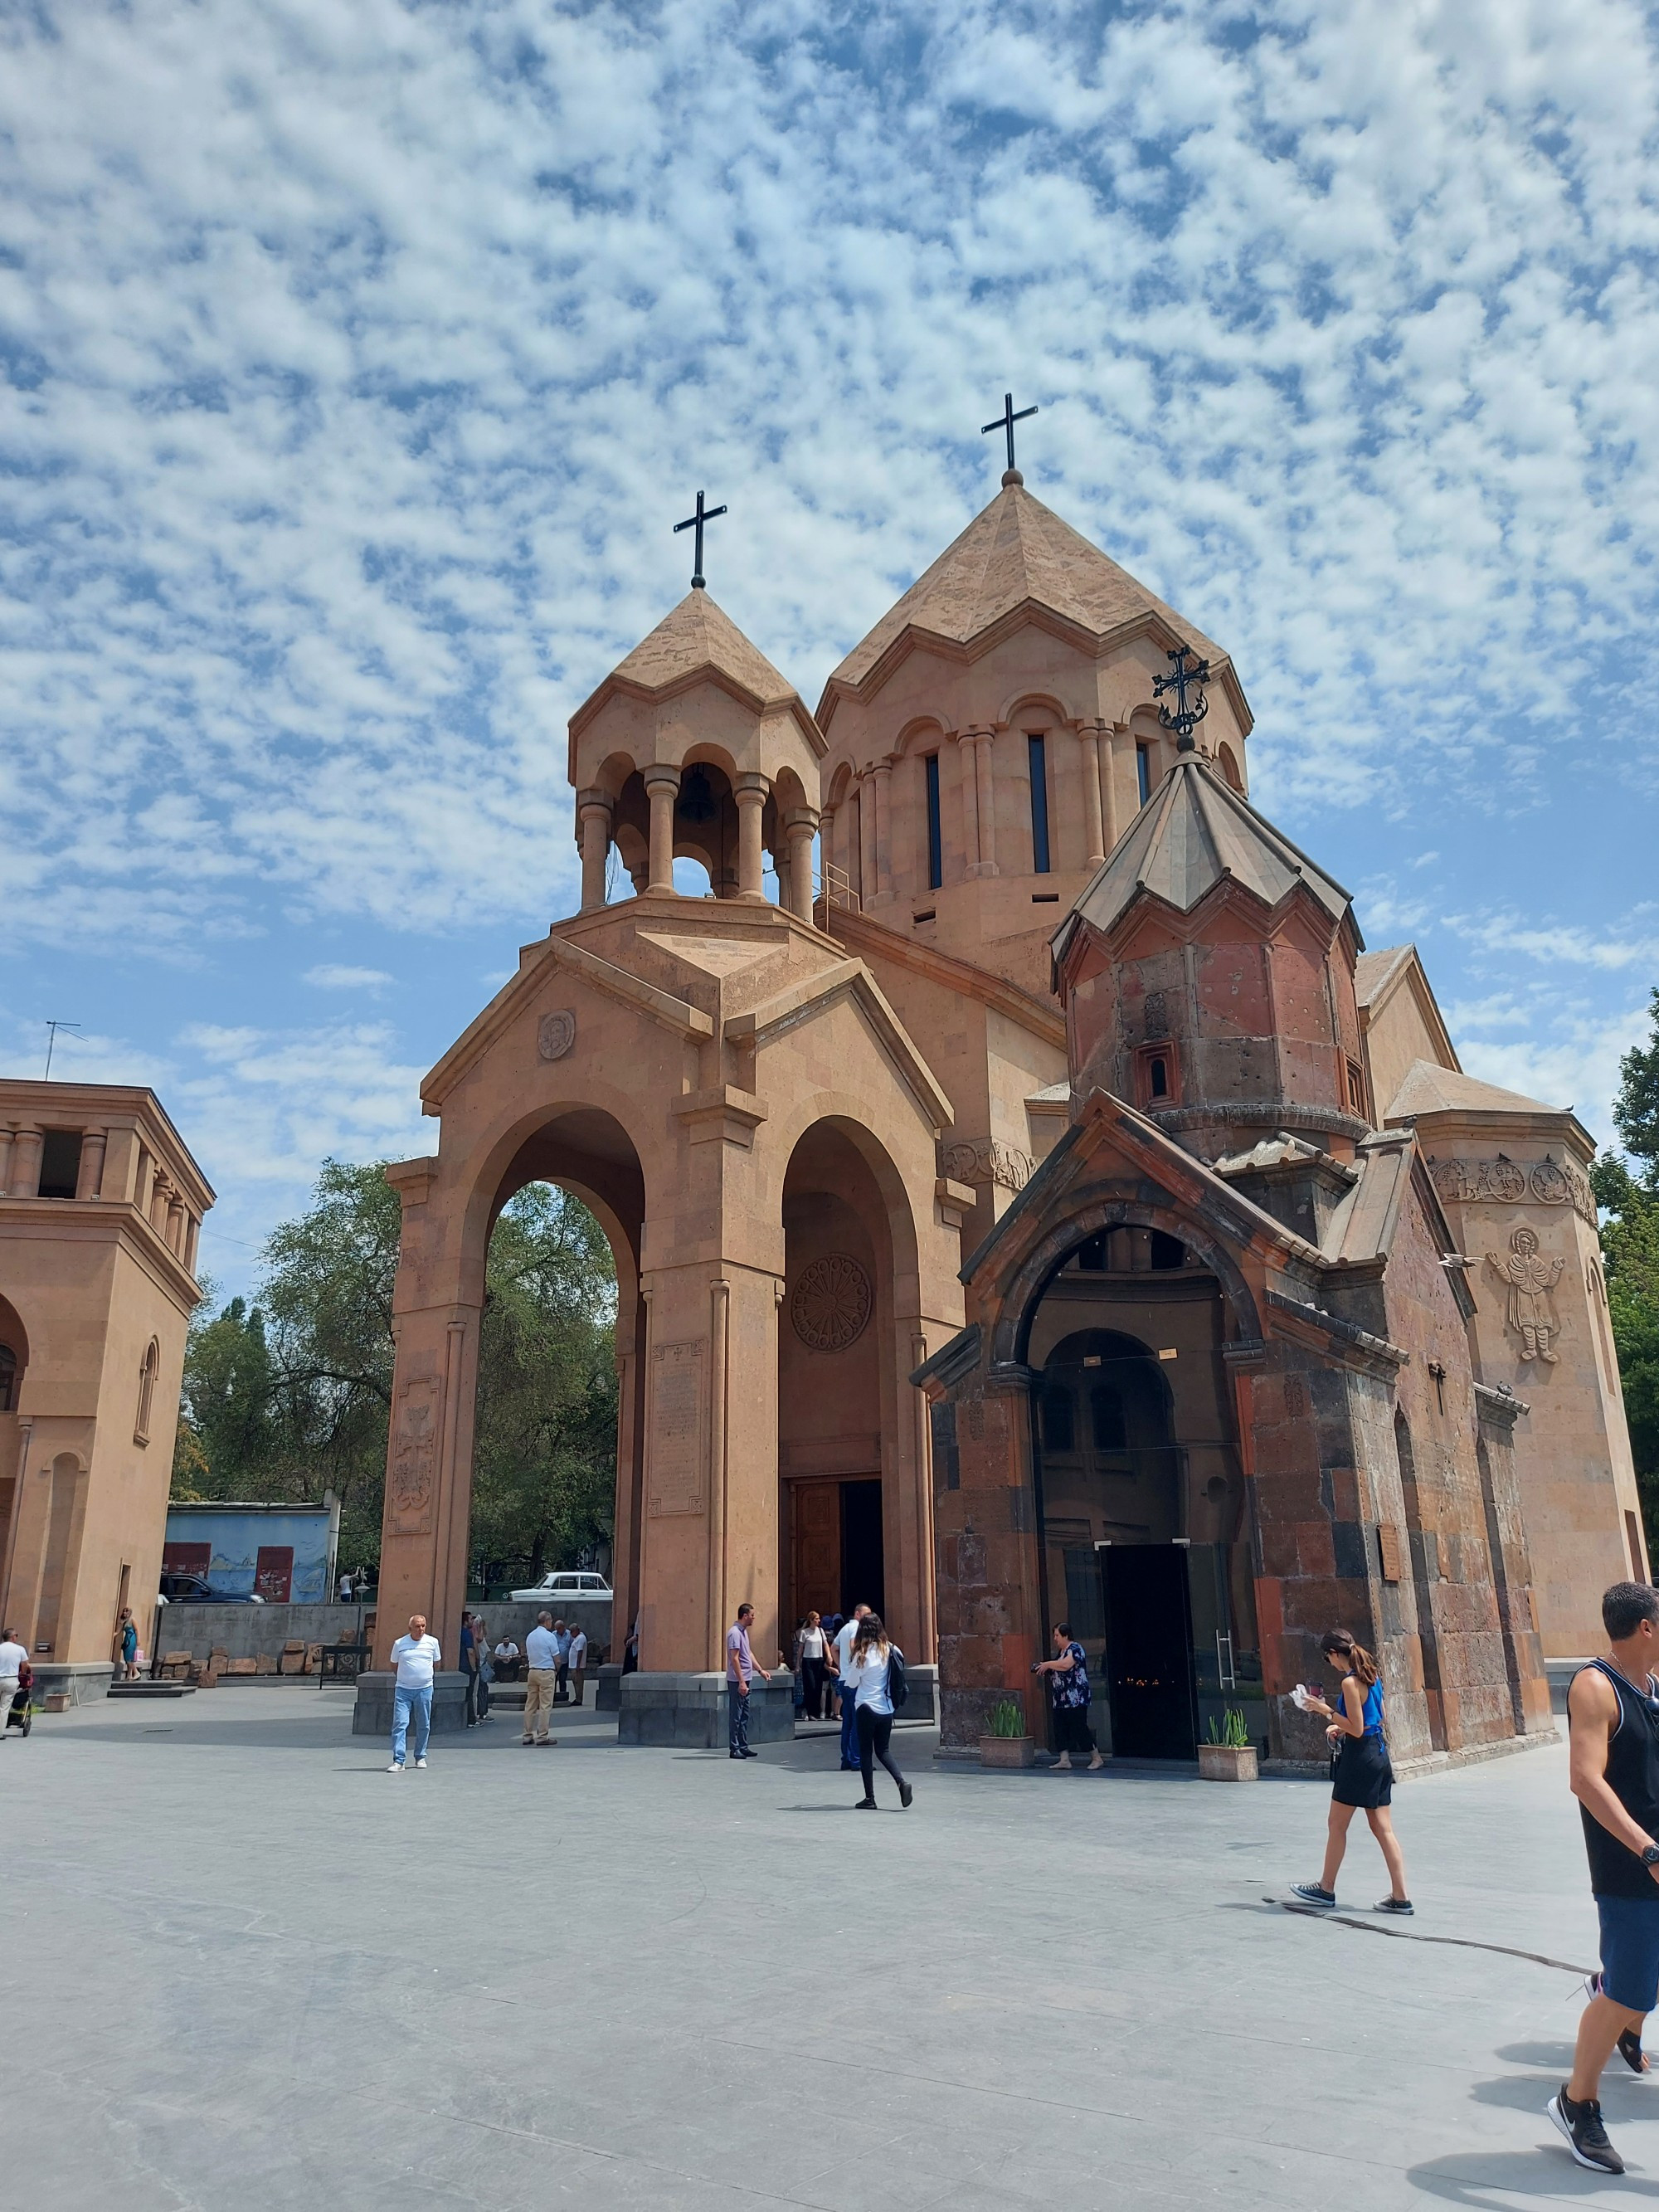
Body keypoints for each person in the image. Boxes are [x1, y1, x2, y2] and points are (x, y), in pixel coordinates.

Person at [1550, 1581, 1659, 2175]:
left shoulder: (1651, 1689)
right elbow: (1586, 1780)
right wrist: (1647, 1850)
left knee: (1641, 1986)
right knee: (1627, 1992)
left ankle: (1618, 1996)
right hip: (1630, 1869)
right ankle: (1577, 2102)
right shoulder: (1595, 1687)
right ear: (1646, 1627)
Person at [1291, 1630, 1410, 1915]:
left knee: (1336, 1824)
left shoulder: (1349, 1682)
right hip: (1379, 1754)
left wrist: (1325, 1711)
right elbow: (1376, 1716)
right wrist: (1340, 1726)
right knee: (1383, 1829)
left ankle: (1326, 1887)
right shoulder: (1371, 1674)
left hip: (1359, 1760)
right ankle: (1401, 1896)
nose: (1328, 1662)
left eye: (1327, 1657)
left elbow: (1356, 1728)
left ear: (1334, 1654)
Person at [844, 1611, 912, 1810]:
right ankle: (901, 1782)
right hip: (886, 1707)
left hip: (866, 1706)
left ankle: (870, 1798)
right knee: (883, 1750)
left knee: (865, 1752)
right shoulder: (891, 1649)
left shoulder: (862, 1653)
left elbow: (852, 1682)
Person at [1034, 1623, 1103, 1771]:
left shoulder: (1075, 1649)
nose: (1055, 1639)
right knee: (1060, 1728)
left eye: (1057, 1635)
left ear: (1066, 1635)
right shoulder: (1061, 1652)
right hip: (1060, 1699)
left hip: (1075, 1698)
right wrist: (1045, 1668)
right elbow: (1058, 1668)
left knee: (1079, 1727)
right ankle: (1064, 1760)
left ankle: (1096, 1758)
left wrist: (1048, 1664)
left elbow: (1066, 1665)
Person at [387, 1613, 441, 1772]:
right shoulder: (400, 1643)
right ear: (410, 1628)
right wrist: (406, 1678)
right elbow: (394, 1665)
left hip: (424, 1689)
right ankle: (399, 1760)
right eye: (417, 1626)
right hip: (403, 1690)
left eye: (423, 1626)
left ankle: (420, 1756)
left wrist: (423, 1677)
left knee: (424, 1724)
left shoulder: (433, 1642)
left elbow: (436, 1663)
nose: (421, 1629)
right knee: (400, 1724)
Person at [832, 1605, 871, 1771]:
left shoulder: (844, 1628)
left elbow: (834, 1648)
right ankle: (856, 1760)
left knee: (847, 1721)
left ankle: (846, 1759)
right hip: (854, 1681)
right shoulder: (857, 1628)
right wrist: (857, 1665)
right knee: (857, 1722)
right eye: (866, 1614)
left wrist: (841, 1666)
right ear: (857, 1614)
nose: (868, 1617)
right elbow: (853, 1643)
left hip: (844, 1679)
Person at [726, 1602, 766, 1760]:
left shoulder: (743, 1632)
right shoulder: (734, 1633)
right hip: (738, 1681)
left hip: (747, 1679)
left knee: (744, 1715)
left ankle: (743, 1746)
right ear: (745, 1616)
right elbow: (734, 1658)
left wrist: (760, 1670)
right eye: (752, 1615)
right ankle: (734, 1747)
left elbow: (748, 1653)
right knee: (736, 1715)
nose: (754, 1618)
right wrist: (741, 1681)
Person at [523, 1610, 560, 1747]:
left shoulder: (530, 1636)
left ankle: (527, 1735)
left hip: (532, 1671)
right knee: (545, 1706)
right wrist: (557, 1669)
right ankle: (542, 1736)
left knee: (530, 1705)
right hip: (546, 1671)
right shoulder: (550, 1637)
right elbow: (557, 1657)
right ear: (548, 1621)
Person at [798, 1610, 829, 1722]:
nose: (818, 1621)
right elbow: (800, 1649)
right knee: (810, 1686)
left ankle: (814, 1712)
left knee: (818, 1687)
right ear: (811, 1620)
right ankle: (806, 1709)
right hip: (808, 1661)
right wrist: (798, 1664)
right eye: (816, 1619)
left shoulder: (820, 1631)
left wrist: (828, 1655)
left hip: (819, 1660)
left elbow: (825, 1644)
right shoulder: (804, 1632)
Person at [0, 1626, 25, 1741]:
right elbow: (24, 1665)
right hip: (11, 1679)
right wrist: (22, 1674)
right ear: (13, 1637)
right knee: (4, 1707)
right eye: (16, 1635)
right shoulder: (19, 1649)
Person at [460, 1612, 481, 1727]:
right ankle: (471, 1720)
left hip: (460, 1666)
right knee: (470, 1694)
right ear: (465, 1621)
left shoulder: (459, 1632)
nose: (472, 1621)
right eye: (470, 1619)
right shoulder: (467, 1633)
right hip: (468, 1667)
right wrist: (474, 1668)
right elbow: (471, 1651)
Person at [567, 1622, 588, 1707]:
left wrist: (578, 1665)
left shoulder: (581, 1638)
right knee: (575, 1682)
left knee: (578, 1682)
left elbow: (580, 1651)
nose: (571, 1634)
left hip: (577, 1666)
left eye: (572, 1632)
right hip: (573, 1665)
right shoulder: (577, 1638)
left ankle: (579, 1699)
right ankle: (577, 1697)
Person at [553, 1617, 572, 1703]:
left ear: (563, 1627)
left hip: (564, 1662)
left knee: (563, 1679)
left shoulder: (569, 1634)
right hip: (555, 1662)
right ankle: (552, 1697)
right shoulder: (553, 1634)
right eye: (556, 1629)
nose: (557, 1630)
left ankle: (563, 1697)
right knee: (553, 1680)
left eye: (559, 1628)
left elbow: (572, 1647)